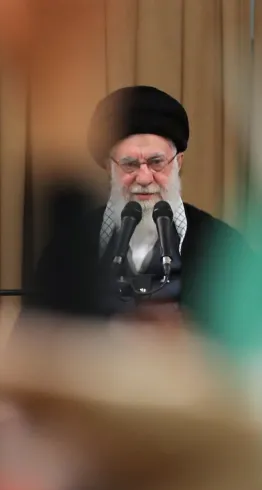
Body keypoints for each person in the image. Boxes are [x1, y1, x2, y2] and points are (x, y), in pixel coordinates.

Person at [22, 86, 248, 327]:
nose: (143, 178)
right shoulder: (68, 250)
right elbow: (32, 348)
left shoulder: (225, 249)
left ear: (178, 163)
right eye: (129, 165)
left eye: (156, 162)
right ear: (109, 168)